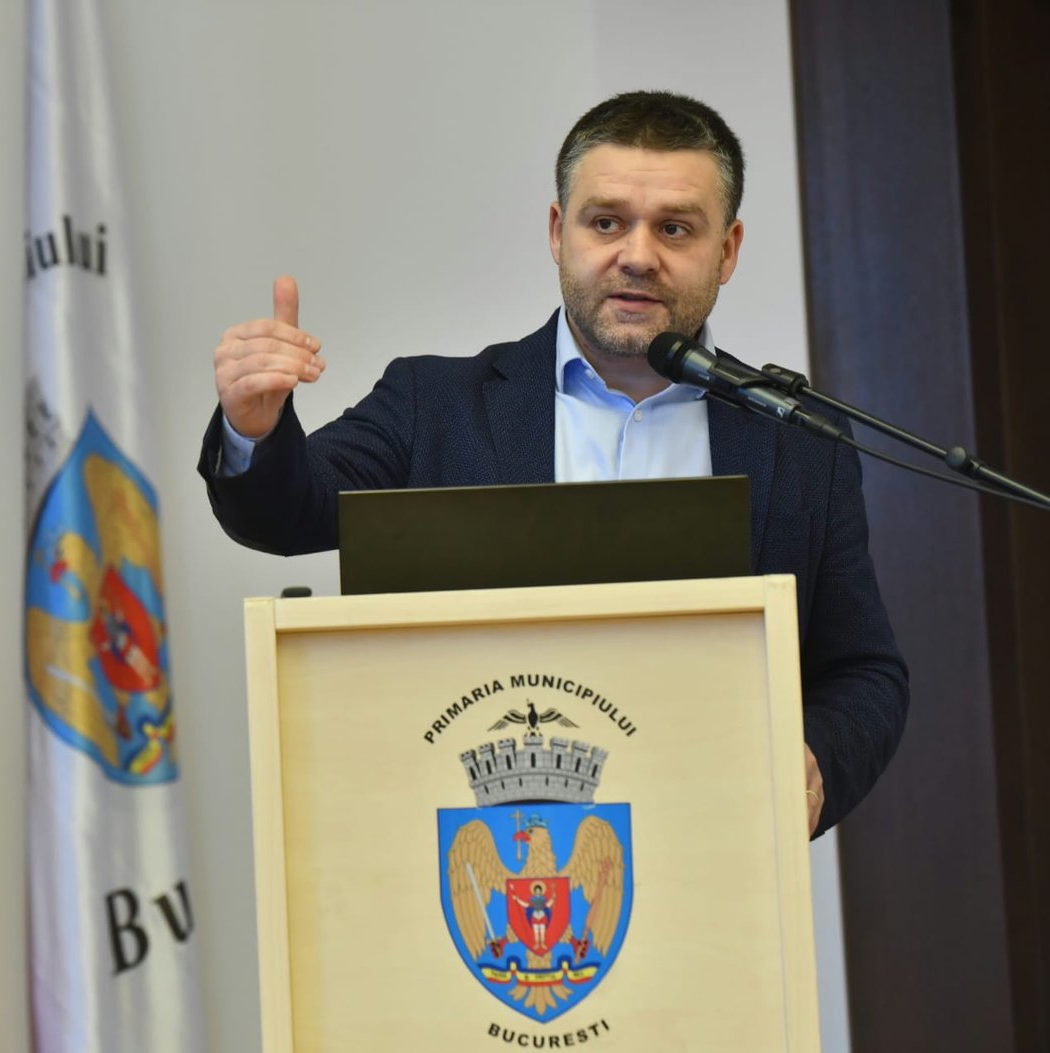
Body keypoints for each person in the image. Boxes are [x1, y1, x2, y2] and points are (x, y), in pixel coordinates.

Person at [196, 90, 908, 836]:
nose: (638, 255)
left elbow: (863, 672)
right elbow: (286, 515)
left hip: (713, 843)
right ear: (556, 232)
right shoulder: (434, 406)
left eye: (674, 228)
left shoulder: (799, 443)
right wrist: (253, 428)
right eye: (606, 222)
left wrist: (815, 761)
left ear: (726, 250)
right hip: (478, 849)